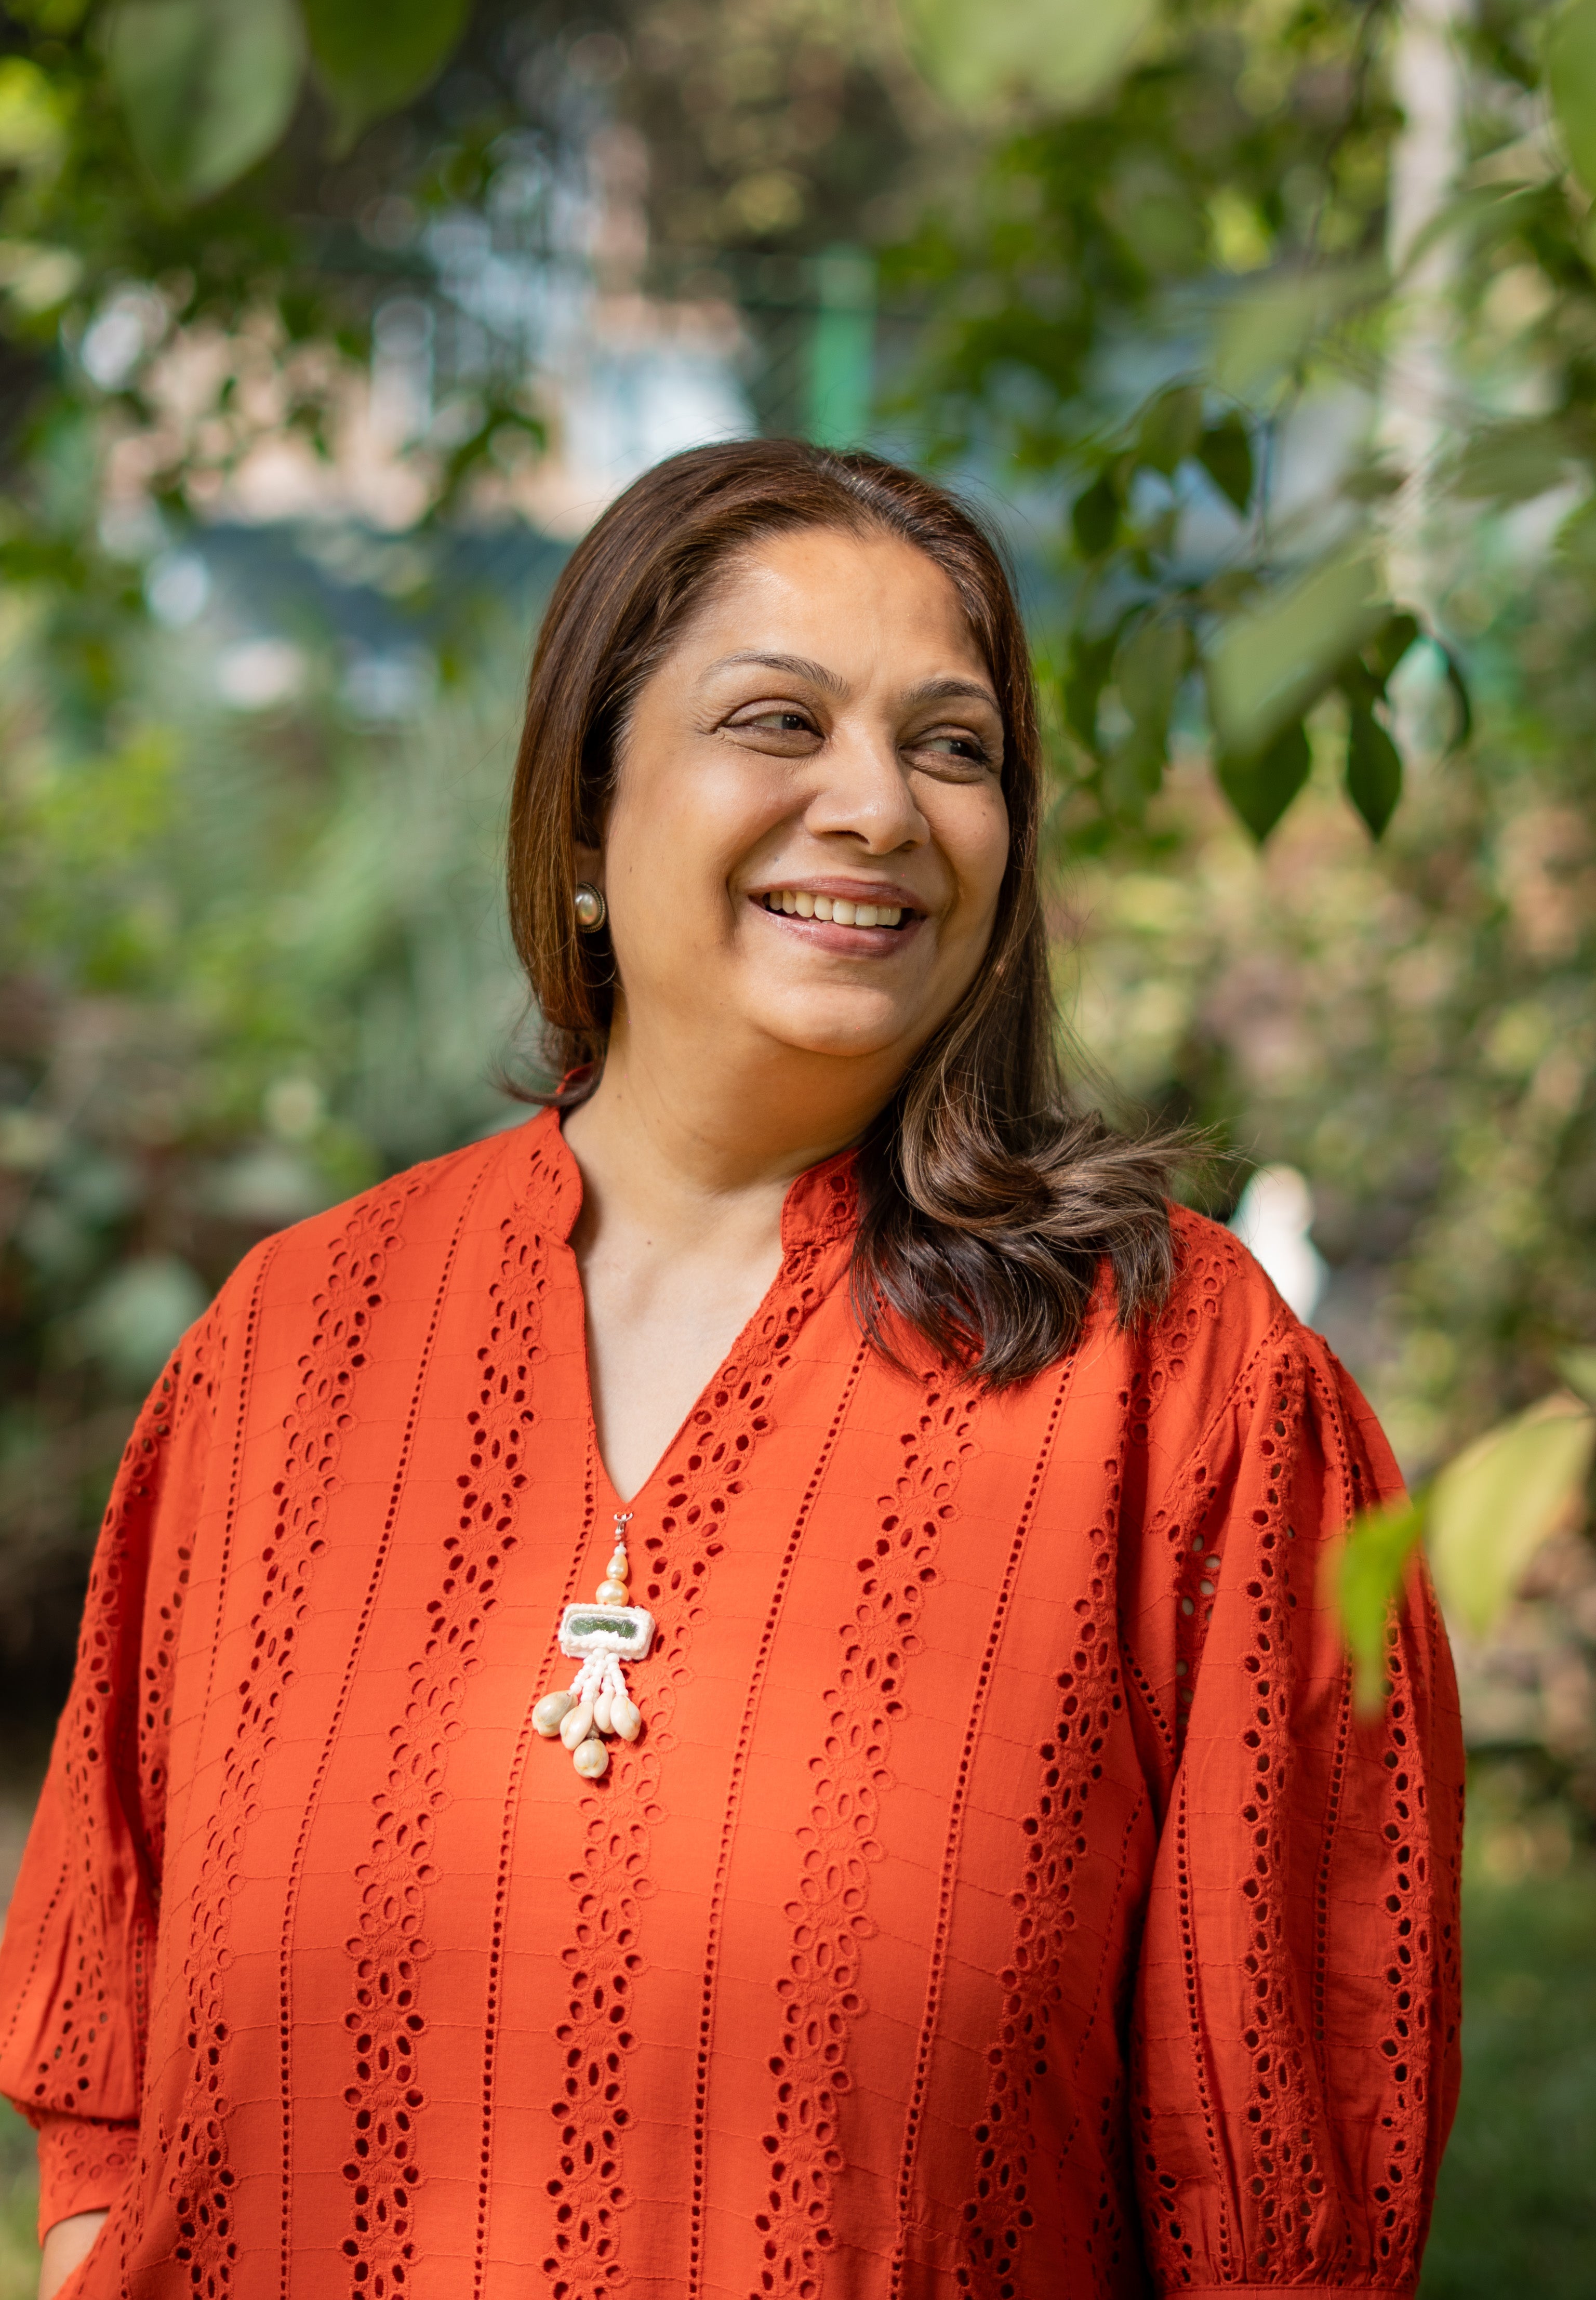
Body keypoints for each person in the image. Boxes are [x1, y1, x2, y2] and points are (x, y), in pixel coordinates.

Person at [1, 440, 1462, 2300]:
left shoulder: (1188, 1390)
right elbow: (110, 2087)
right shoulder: (283, 1350)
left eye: (954, 748)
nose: (879, 805)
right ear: (585, 815)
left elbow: (1288, 2193)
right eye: (780, 721)